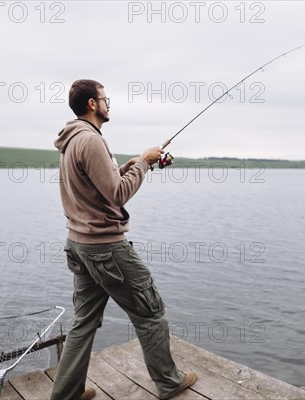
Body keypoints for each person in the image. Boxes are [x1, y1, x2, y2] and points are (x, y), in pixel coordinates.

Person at [50, 79, 197, 400]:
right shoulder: (91, 141)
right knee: (151, 312)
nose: (108, 104)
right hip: (105, 248)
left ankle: (66, 395)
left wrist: (130, 165)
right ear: (92, 104)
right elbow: (116, 195)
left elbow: (99, 185)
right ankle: (170, 382)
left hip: (79, 244)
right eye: (105, 99)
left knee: (83, 322)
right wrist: (144, 163)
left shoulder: (73, 139)